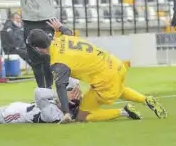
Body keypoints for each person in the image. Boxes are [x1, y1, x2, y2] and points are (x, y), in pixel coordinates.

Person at [27, 18, 167, 124]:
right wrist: (60, 27)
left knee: (83, 116)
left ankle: (124, 111)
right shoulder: (63, 38)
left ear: (37, 49)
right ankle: (146, 99)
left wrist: (66, 113)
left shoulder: (59, 62)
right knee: (117, 88)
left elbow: (60, 87)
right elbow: (67, 31)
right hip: (116, 65)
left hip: (105, 78)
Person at [6, 0, 65, 89]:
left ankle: (49, 88)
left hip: (47, 22)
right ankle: (41, 90)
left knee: (47, 58)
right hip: (29, 22)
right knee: (35, 59)